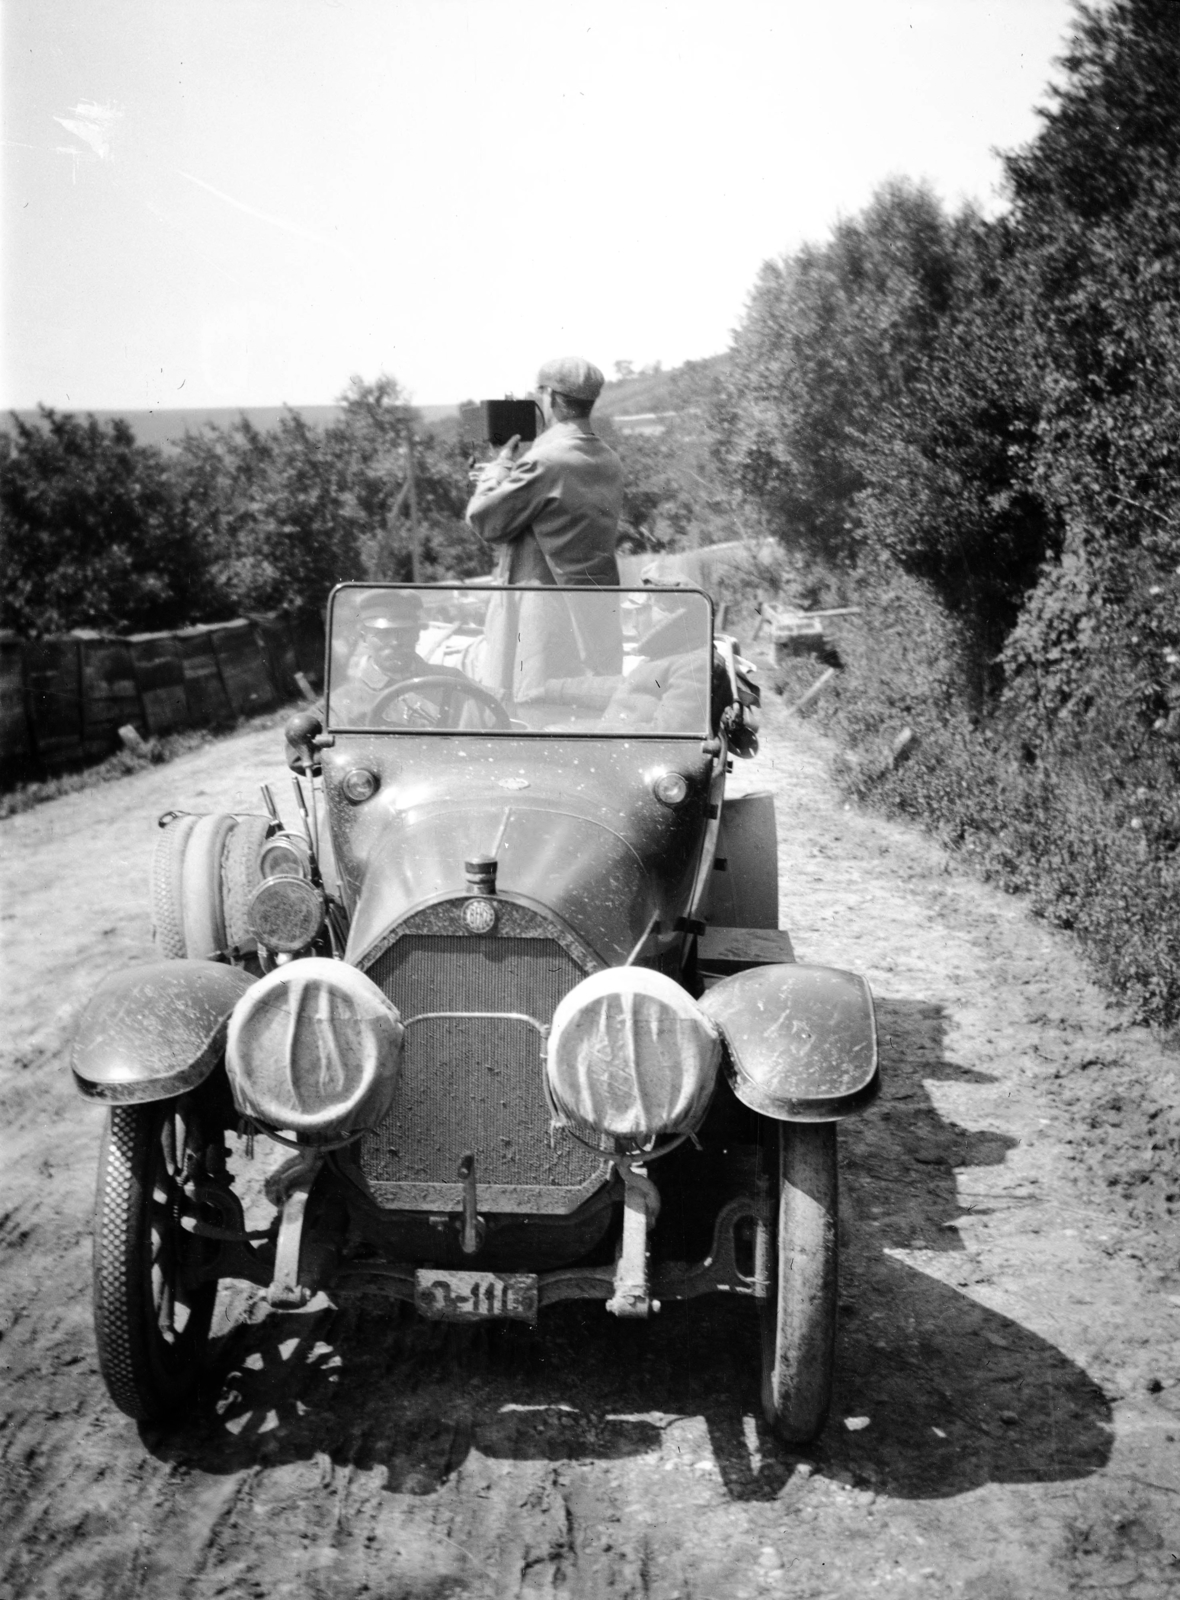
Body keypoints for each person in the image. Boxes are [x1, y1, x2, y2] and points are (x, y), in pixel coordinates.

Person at [466, 357, 624, 698]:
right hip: (591, 617)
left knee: (533, 717)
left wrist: (500, 467)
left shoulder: (545, 460)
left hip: (541, 625)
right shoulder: (608, 459)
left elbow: (484, 518)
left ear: (550, 397)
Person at [331, 590, 474, 728]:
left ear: (417, 634)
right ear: (364, 637)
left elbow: (494, 700)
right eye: (383, 634)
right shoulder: (345, 700)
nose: (395, 642)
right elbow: (317, 717)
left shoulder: (451, 681)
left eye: (404, 632)